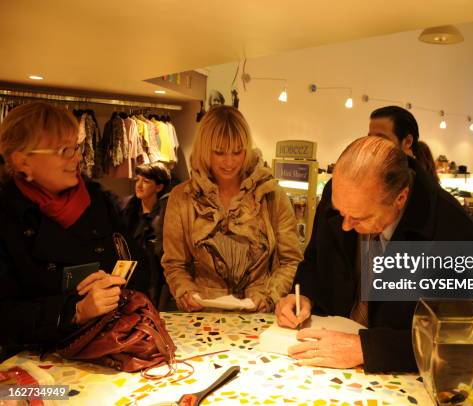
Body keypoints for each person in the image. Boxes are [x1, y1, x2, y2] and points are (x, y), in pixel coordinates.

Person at [275, 136, 473, 372]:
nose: (345, 226)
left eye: (359, 217)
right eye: (341, 212)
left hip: (399, 375)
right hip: (326, 356)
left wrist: (366, 348)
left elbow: (464, 338)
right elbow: (315, 258)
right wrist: (304, 295)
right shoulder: (343, 192)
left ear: (400, 199)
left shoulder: (453, 231)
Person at [0, 102, 138, 359]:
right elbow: (5, 316)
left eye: (76, 146)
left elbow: (135, 262)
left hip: (110, 348)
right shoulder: (8, 218)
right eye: (64, 150)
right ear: (23, 161)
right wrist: (74, 310)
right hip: (33, 366)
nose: (77, 157)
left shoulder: (98, 201)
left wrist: (117, 287)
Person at [162, 106, 302, 313]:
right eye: (219, 152)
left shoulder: (270, 194)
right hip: (203, 318)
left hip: (260, 316)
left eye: (237, 152)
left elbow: (290, 259)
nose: (229, 162)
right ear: (204, 149)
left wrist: (270, 295)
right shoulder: (182, 197)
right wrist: (185, 291)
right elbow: (174, 263)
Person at [120, 162, 171, 304]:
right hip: (131, 278)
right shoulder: (128, 211)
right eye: (138, 180)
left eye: (146, 181)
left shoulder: (165, 216)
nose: (139, 185)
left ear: (159, 187)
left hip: (156, 280)